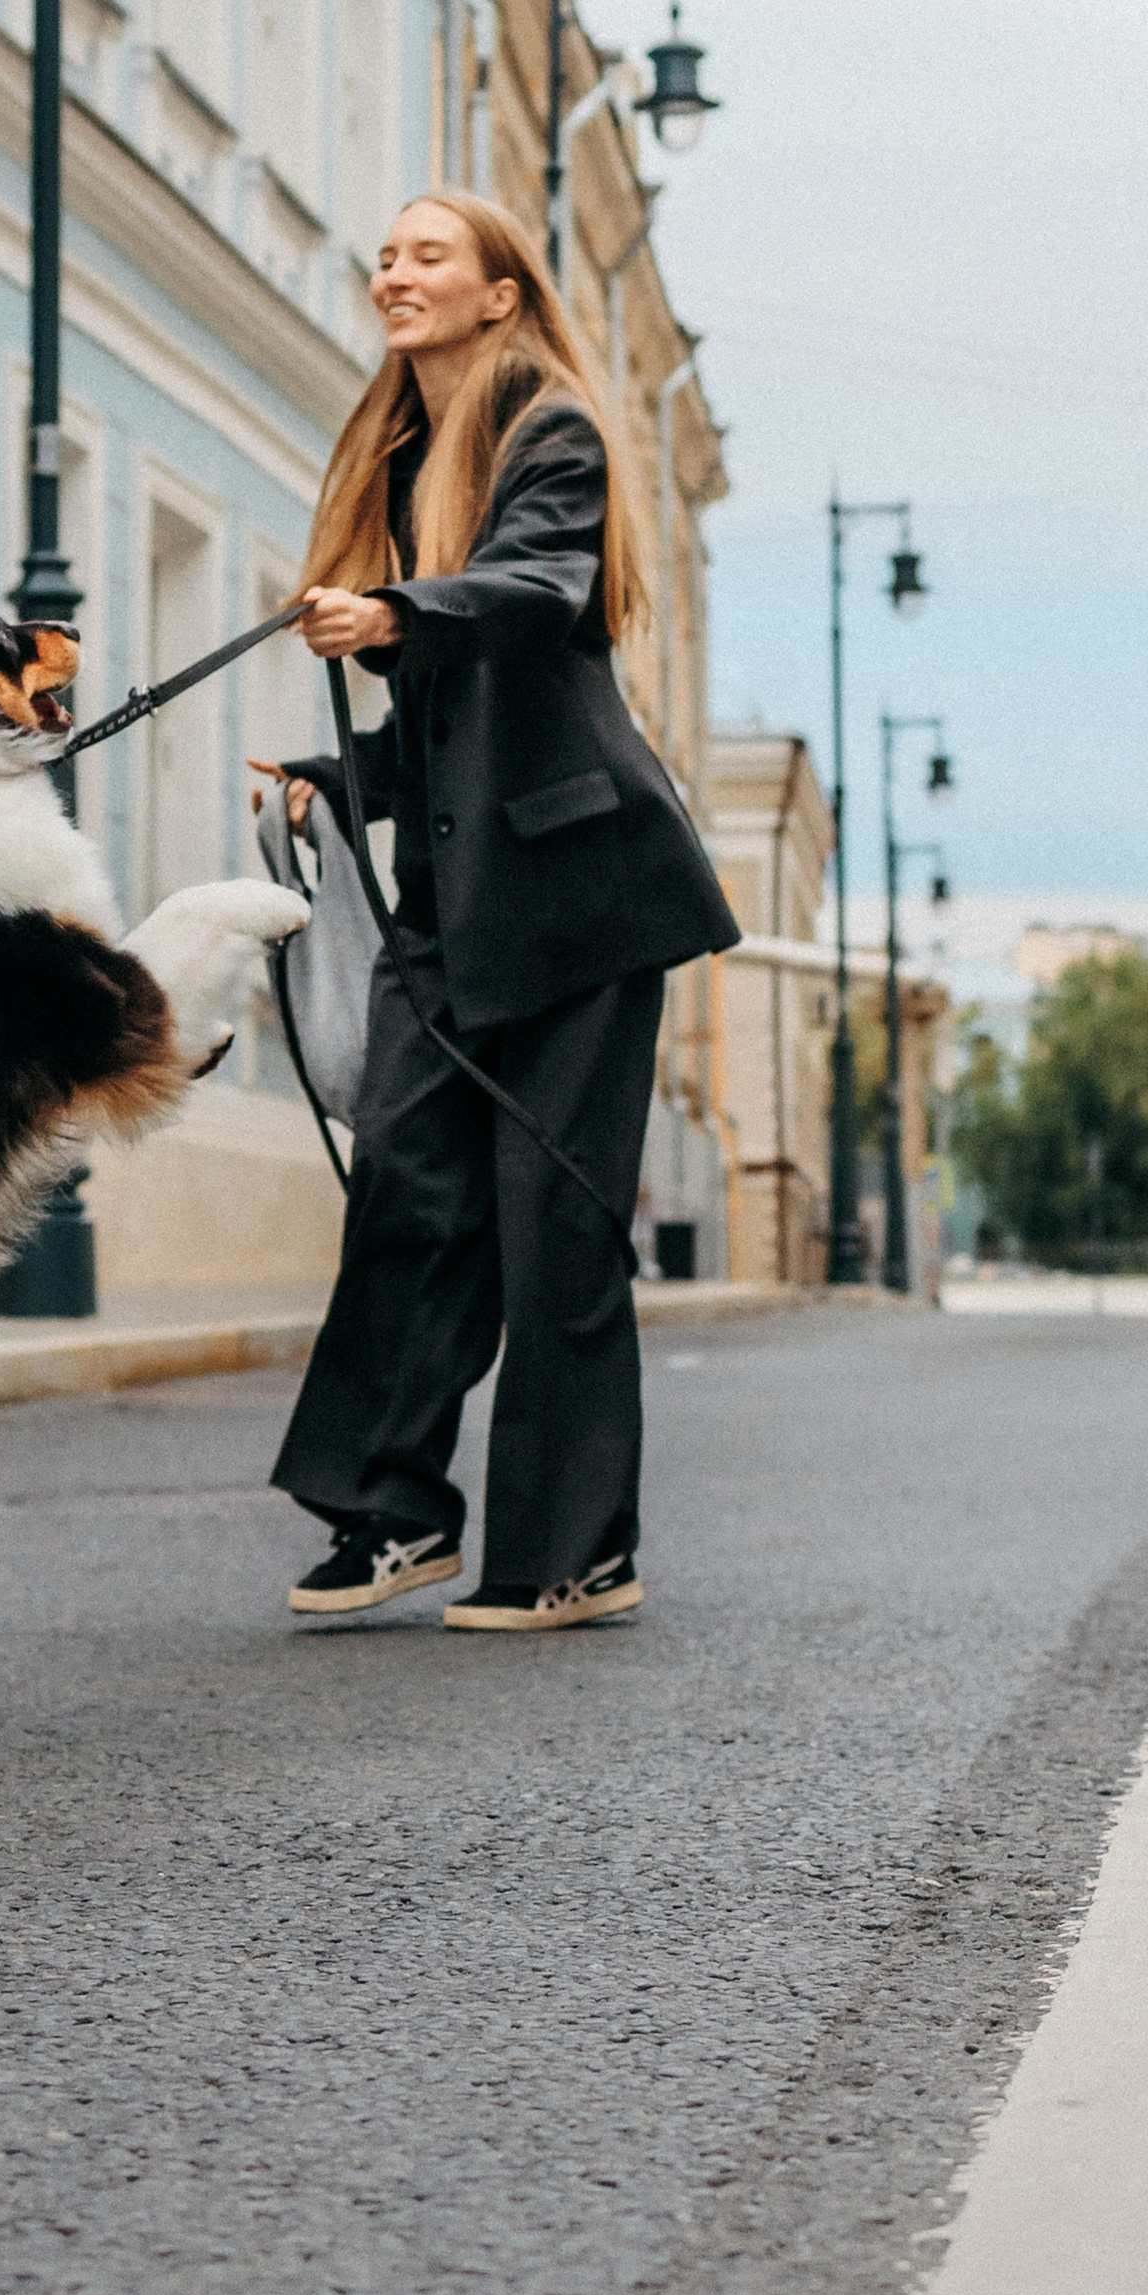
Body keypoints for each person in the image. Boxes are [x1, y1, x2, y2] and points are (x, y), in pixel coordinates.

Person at [250, 191, 738, 1634]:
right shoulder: (404, 459)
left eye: (428, 254)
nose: (394, 271)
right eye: (386, 254)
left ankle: (578, 1550)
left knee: (553, 1224)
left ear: (501, 295)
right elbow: (461, 721)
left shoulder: (554, 431)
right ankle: (394, 1512)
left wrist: (399, 616)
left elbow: (535, 594)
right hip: (454, 911)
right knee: (410, 1191)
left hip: (584, 901)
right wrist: (345, 780)